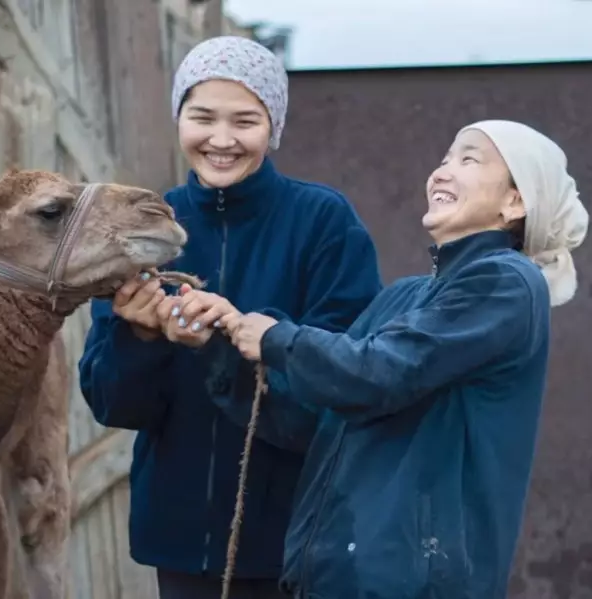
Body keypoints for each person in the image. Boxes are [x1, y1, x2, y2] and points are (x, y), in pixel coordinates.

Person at [178, 120, 589, 598]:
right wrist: (218, 347)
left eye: (468, 159)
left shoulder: (507, 283)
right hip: (336, 580)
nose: (441, 172)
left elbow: (380, 372)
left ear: (514, 203)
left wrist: (276, 339)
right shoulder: (405, 296)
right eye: (443, 159)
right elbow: (313, 417)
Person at [77, 36, 382, 598]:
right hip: (178, 537)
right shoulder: (143, 232)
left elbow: (344, 387)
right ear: (179, 119)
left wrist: (233, 340)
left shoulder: (323, 223)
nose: (221, 140)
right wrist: (139, 337)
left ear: (274, 127)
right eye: (202, 117)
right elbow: (111, 404)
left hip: (295, 537)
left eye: (245, 120)